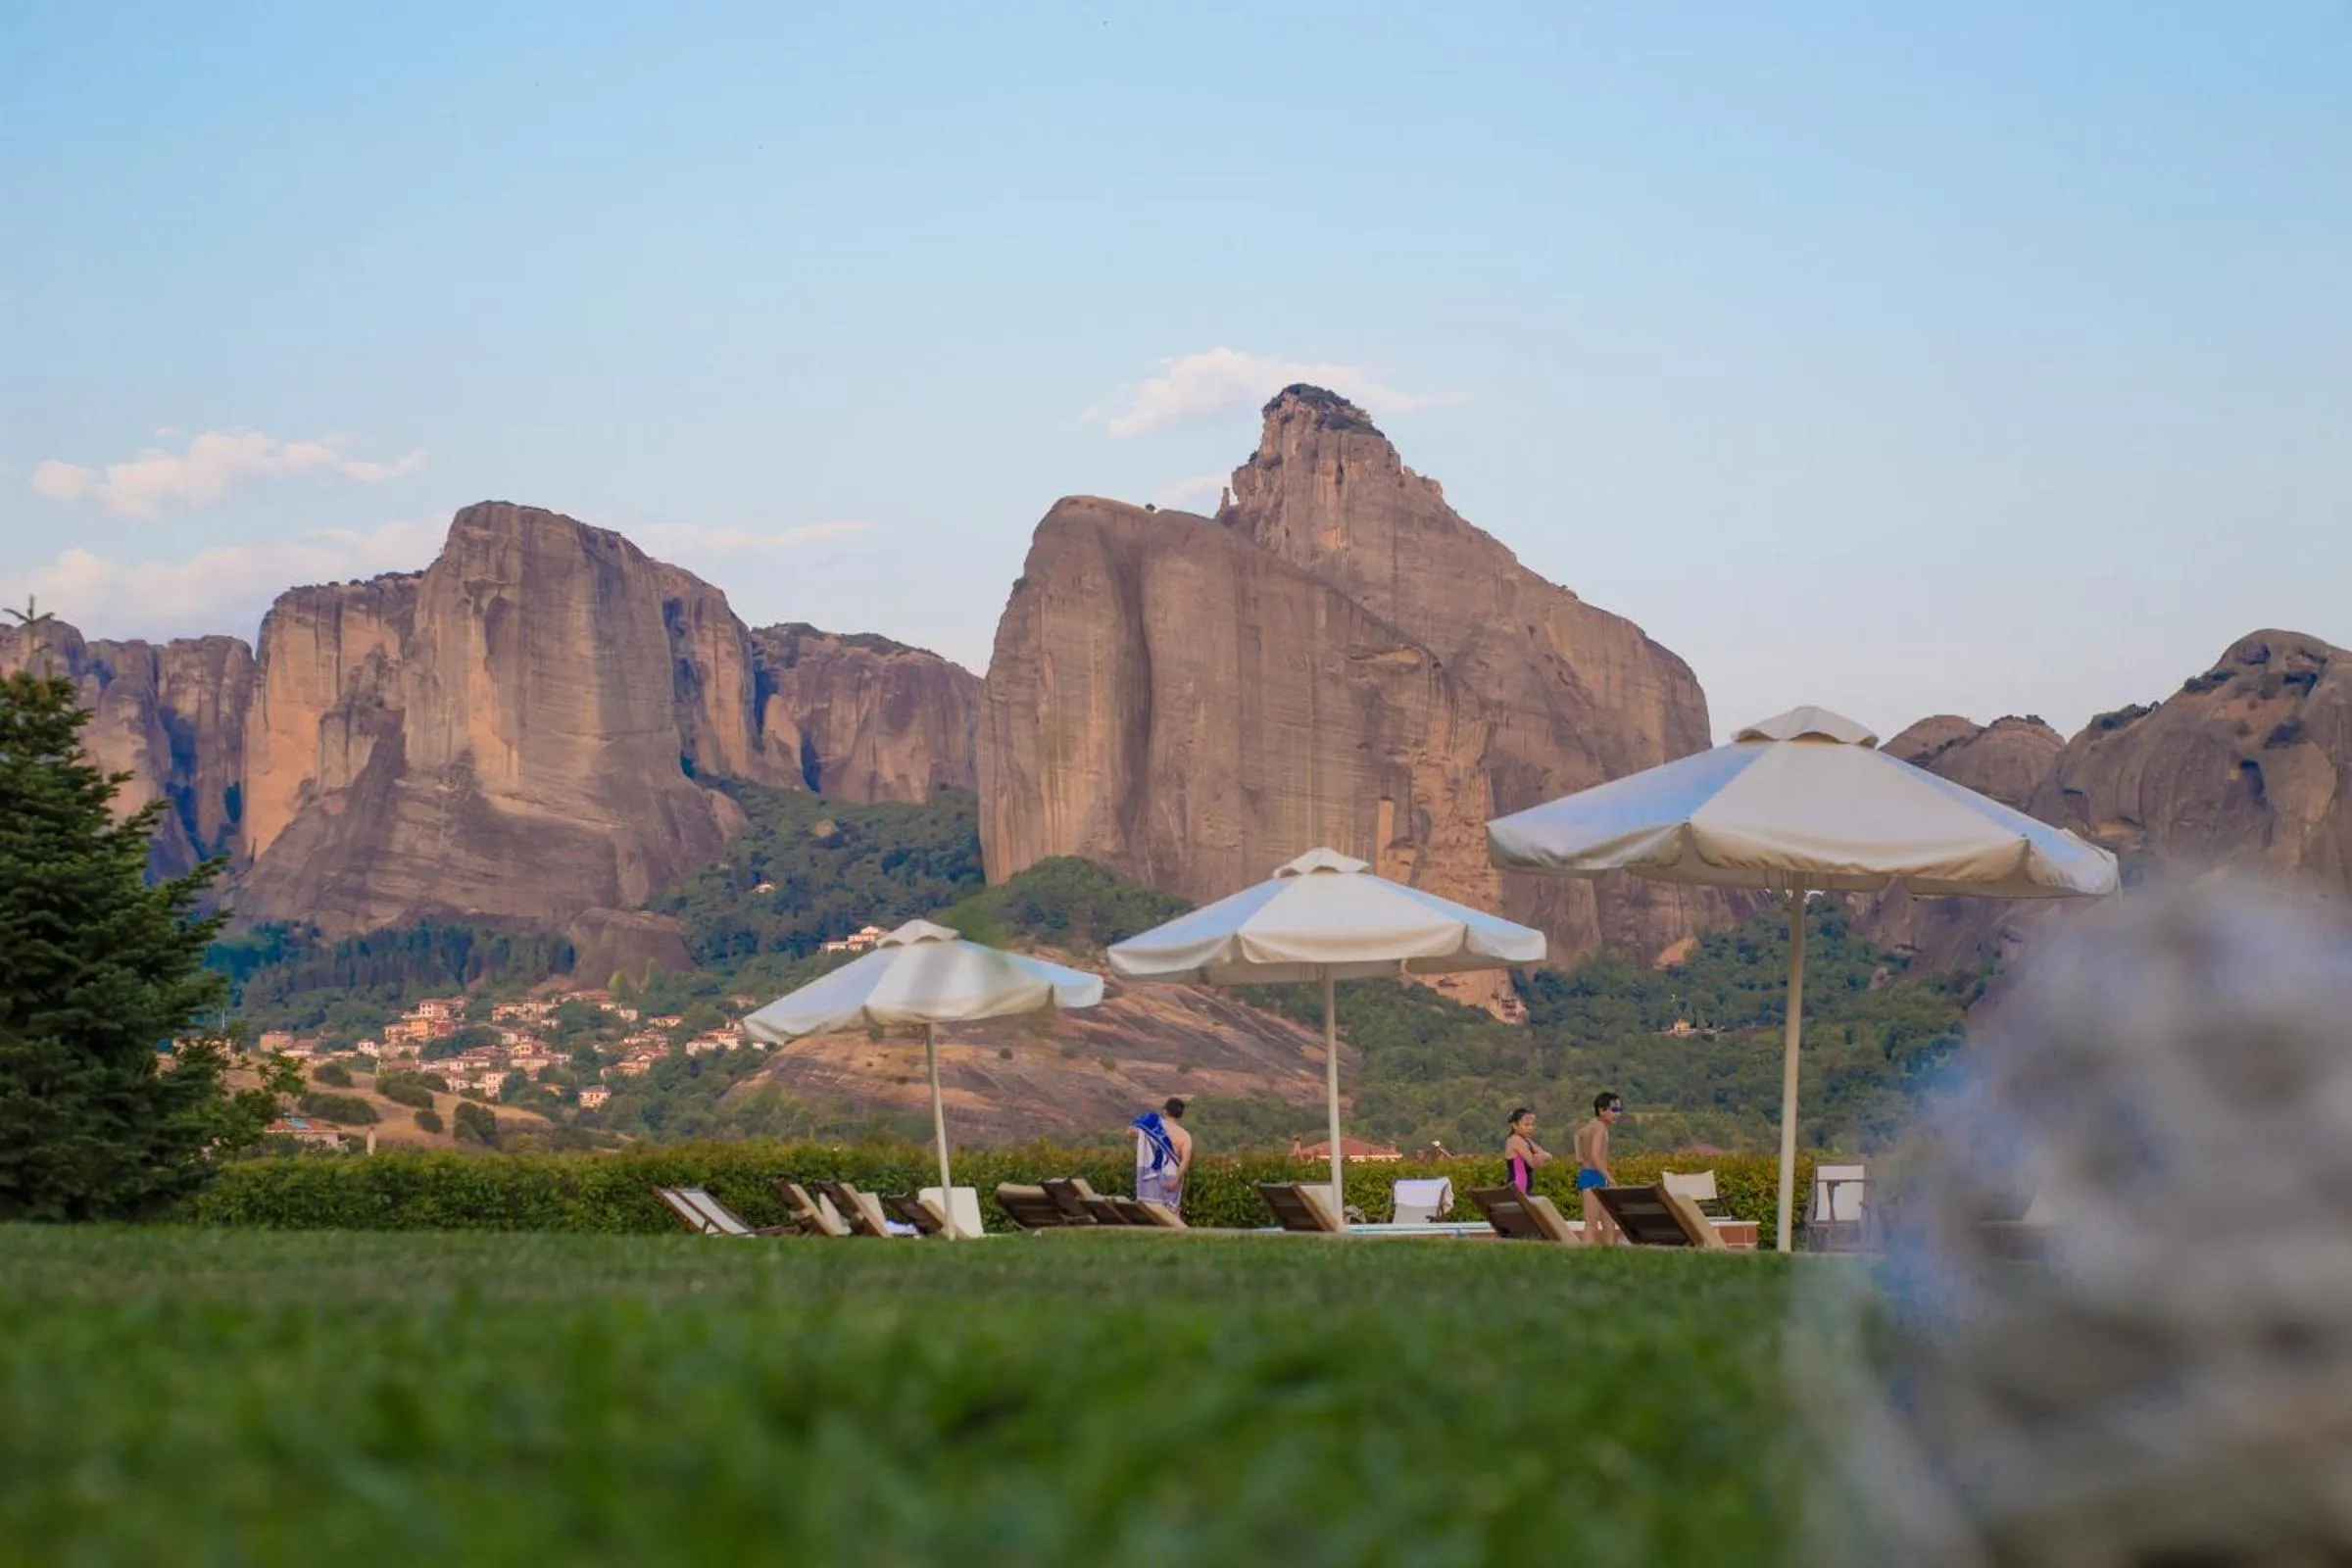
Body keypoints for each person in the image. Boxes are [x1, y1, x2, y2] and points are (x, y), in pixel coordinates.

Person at [1575, 1092, 1626, 1244]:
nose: (1618, 1114)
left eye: (1619, 1110)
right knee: (1592, 1224)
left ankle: (1607, 1256)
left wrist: (1580, 1158)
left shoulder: (1589, 1126)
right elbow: (1595, 1156)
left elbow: (1577, 1136)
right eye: (1614, 1110)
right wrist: (1610, 1179)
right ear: (1602, 1110)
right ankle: (1586, 1257)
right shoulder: (1600, 1128)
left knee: (1608, 1223)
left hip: (1587, 1174)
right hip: (1594, 1176)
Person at [1130, 1098, 1192, 1209]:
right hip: (1171, 1177)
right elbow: (1185, 1161)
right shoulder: (1185, 1136)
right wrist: (1176, 1180)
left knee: (1148, 1208)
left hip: (1150, 1175)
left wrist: (1144, 1133)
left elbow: (1130, 1132)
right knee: (1171, 1211)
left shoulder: (1153, 1124)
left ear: (1165, 1111)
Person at [1503, 1106, 1551, 1194]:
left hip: (1525, 1190)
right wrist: (1539, 1156)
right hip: (1517, 1190)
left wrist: (1540, 1156)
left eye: (1532, 1125)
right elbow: (1533, 1162)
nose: (1530, 1128)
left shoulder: (1527, 1141)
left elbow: (1548, 1156)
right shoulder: (1515, 1140)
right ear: (1515, 1125)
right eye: (1526, 1125)